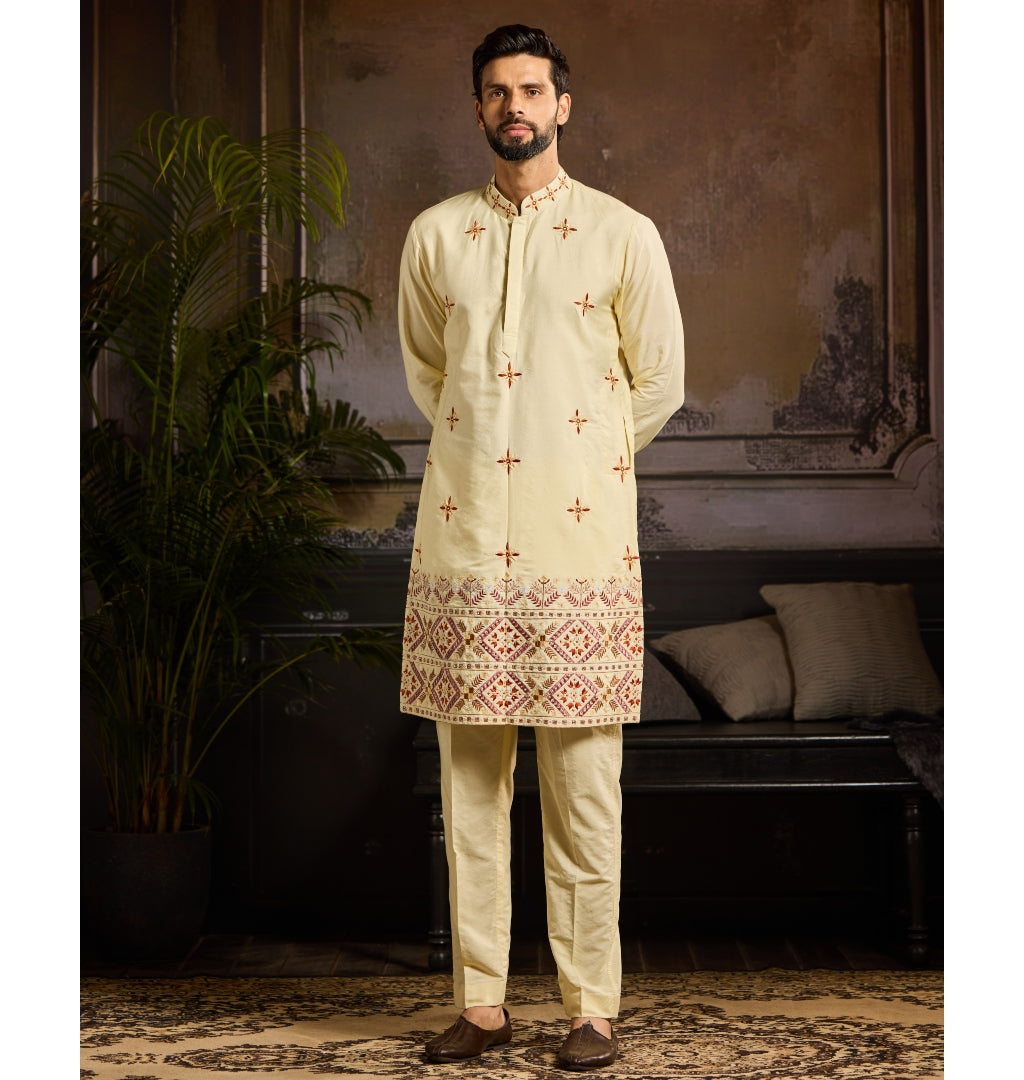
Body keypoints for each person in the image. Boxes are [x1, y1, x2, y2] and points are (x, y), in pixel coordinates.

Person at [397, 23, 685, 1071]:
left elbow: (661, 382)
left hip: (582, 554)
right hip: (466, 545)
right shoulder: (436, 236)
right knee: (470, 791)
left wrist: (580, 456)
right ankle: (481, 1005)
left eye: (530, 89)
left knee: (584, 792)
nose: (513, 106)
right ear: (478, 108)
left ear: (563, 105)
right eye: (496, 91)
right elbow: (431, 377)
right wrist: (491, 450)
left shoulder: (623, 234)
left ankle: (590, 1009)